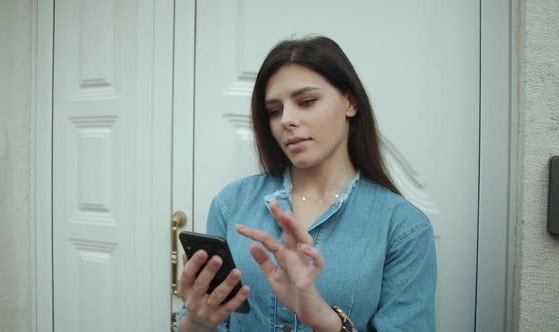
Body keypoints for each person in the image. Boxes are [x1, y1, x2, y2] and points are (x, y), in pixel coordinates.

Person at [175, 35, 437, 332]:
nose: (286, 119)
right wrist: (195, 322)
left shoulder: (404, 228)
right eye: (275, 110)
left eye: (306, 102)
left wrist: (324, 319)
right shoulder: (231, 204)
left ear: (350, 102)